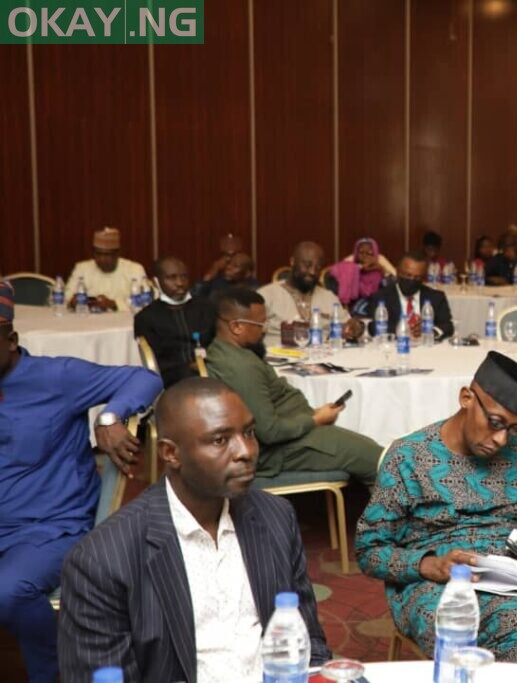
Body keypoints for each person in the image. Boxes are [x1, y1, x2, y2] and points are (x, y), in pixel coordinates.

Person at [57, 378, 330, 681]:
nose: (246, 451)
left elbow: (308, 642)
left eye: (249, 433)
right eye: (220, 440)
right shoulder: (102, 560)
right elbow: (103, 675)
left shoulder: (275, 517)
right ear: (170, 453)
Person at [356, 352, 517, 662]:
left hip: (514, 573)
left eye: (513, 429)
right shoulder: (409, 457)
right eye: (495, 422)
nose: (501, 439)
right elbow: (369, 550)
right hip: (436, 581)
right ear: (466, 398)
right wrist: (429, 564)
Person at [0, 281, 162, 683]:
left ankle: (59, 671)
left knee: (8, 591)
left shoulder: (55, 377)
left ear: (11, 340)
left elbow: (144, 379)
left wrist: (109, 418)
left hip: (48, 528)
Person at [205, 287, 380, 485]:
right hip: (278, 451)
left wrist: (314, 416)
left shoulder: (228, 351)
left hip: (293, 434)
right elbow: (269, 432)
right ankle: (393, 514)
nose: (264, 329)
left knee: (375, 453)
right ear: (237, 326)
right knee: (380, 461)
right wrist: (314, 420)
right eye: (260, 324)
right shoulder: (239, 367)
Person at [134, 256, 217, 387]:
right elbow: (157, 362)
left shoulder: (206, 308)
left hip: (213, 369)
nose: (180, 283)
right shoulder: (146, 318)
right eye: (172, 278)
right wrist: (191, 366)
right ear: (155, 282)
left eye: (184, 277)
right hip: (174, 379)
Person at [258, 240, 362, 341]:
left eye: (318, 267)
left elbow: (348, 325)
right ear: (292, 262)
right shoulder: (266, 295)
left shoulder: (329, 297)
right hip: (276, 356)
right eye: (307, 265)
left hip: (322, 355)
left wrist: (354, 327)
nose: (312, 272)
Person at [366, 251, 454, 340]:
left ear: (423, 277)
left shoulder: (436, 297)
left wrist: (430, 331)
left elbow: (448, 326)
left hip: (426, 348)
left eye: (417, 277)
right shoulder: (381, 297)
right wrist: (404, 330)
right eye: (408, 275)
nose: (412, 280)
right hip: (395, 348)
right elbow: (373, 327)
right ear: (398, 272)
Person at [64, 227, 148, 312]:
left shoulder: (134, 269)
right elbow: (66, 297)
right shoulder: (82, 268)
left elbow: (144, 301)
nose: (102, 259)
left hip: (123, 323)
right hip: (87, 322)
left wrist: (114, 304)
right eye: (98, 254)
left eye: (107, 255)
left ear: (117, 254)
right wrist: (72, 301)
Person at [329, 237, 391, 316]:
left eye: (369, 253)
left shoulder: (378, 271)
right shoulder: (350, 268)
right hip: (350, 303)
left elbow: (373, 292)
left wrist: (380, 269)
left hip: (373, 304)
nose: (364, 256)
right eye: (361, 253)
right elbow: (332, 272)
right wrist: (357, 270)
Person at [192, 251, 259, 300]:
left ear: (247, 273)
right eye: (228, 263)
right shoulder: (218, 282)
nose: (228, 267)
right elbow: (195, 296)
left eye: (235, 266)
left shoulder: (254, 287)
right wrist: (213, 270)